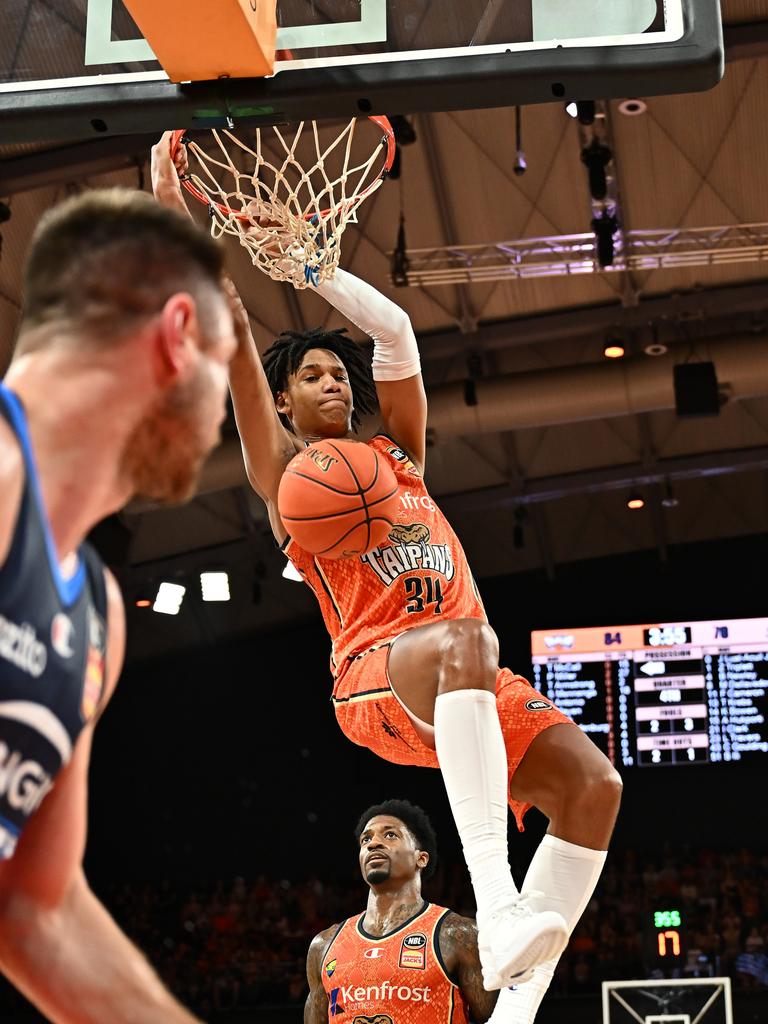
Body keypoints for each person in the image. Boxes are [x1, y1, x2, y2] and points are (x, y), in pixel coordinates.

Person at [153, 132, 623, 1020]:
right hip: (376, 679)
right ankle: (500, 902)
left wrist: (315, 265)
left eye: (338, 373)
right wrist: (183, 224)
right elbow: (235, 330)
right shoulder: (286, 475)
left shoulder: (395, 457)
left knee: (595, 789)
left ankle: (516, 1010)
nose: (331, 382)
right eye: (311, 377)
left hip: (465, 684)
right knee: (466, 640)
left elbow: (398, 330)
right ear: (286, 401)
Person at [0, 186, 237, 1023]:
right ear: (178, 338)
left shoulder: (96, 612)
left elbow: (39, 911)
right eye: (228, 361)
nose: (221, 415)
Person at [305, 798, 497, 1024]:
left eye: (390, 835)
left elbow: (502, 1018)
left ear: (421, 858)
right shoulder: (324, 946)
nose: (373, 843)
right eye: (366, 839)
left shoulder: (458, 935)